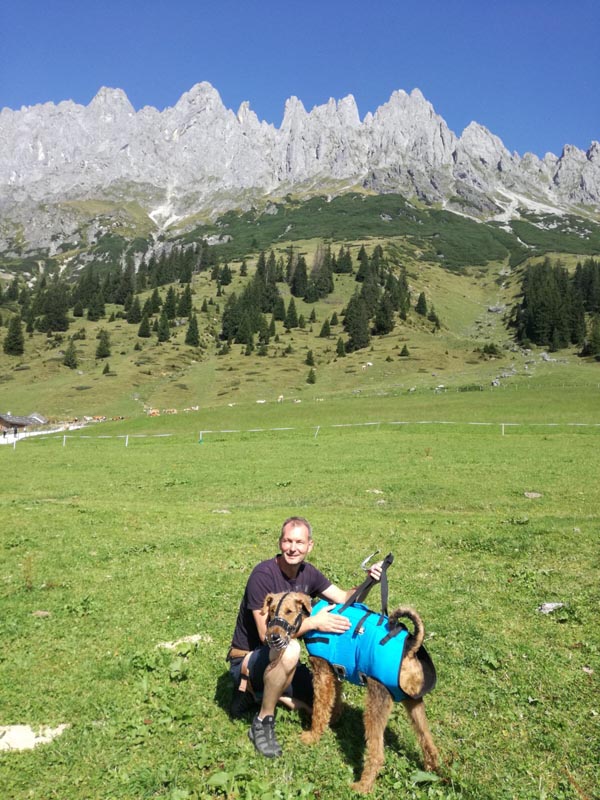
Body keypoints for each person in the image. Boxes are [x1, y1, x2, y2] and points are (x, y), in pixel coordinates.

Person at [227, 515, 382, 758]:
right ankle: (262, 720)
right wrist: (313, 623)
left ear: (310, 545)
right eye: (288, 541)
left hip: (280, 663)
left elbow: (344, 599)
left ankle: (255, 694)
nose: (293, 548)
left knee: (321, 709)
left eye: (299, 542)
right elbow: (266, 637)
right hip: (249, 659)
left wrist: (369, 582)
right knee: (291, 649)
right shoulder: (262, 576)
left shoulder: (308, 573)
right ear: (280, 543)